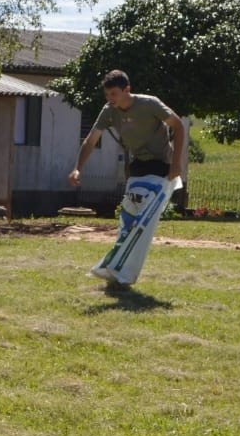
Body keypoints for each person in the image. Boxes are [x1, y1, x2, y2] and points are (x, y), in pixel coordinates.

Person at [69, 69, 186, 290]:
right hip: (138, 165)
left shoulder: (149, 104)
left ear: (127, 90)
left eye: (114, 94)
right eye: (107, 95)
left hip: (161, 165)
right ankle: (117, 267)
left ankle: (126, 273)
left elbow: (178, 126)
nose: (110, 99)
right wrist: (77, 168)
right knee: (128, 220)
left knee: (143, 222)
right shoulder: (109, 111)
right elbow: (91, 140)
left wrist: (176, 164)